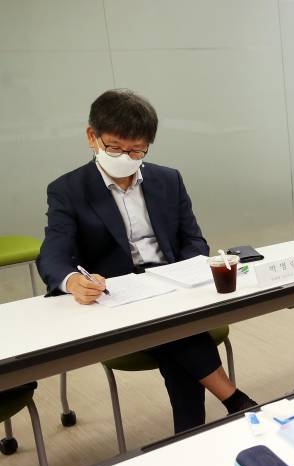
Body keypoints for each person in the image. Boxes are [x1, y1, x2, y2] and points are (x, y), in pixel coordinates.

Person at [36, 89, 257, 433]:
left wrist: (184, 274)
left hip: (173, 287)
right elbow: (53, 254)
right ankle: (234, 402)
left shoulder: (168, 179)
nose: (126, 157)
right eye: (115, 148)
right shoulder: (68, 189)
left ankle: (196, 432)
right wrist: (73, 281)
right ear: (92, 137)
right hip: (117, 297)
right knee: (177, 330)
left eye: (137, 150)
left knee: (172, 326)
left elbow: (194, 240)